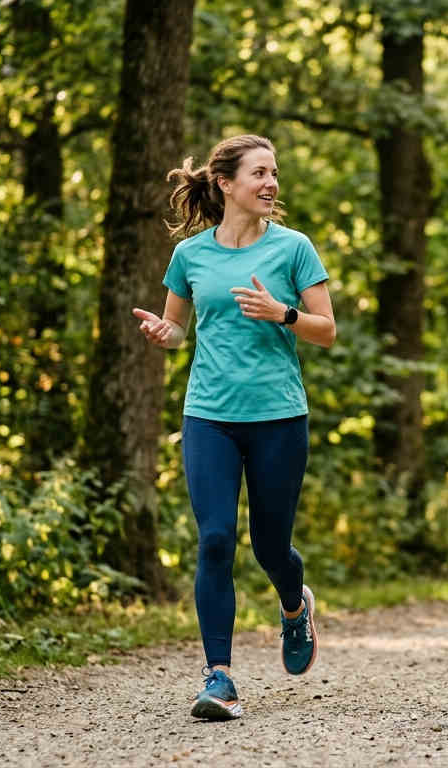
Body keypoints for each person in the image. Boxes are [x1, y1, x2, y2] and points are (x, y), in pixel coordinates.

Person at [132, 135, 336, 721]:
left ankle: (294, 606)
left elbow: (326, 329)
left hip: (278, 417)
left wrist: (284, 314)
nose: (271, 183)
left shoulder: (293, 248)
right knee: (216, 538)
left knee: (271, 547)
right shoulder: (191, 255)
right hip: (209, 417)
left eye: (274, 173)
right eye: (259, 173)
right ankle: (219, 676)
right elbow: (178, 330)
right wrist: (164, 334)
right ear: (225, 183)